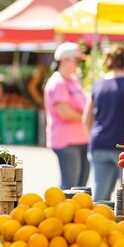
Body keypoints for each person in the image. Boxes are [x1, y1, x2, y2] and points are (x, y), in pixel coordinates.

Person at [84, 45, 124, 201]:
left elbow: (86, 117)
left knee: (100, 193)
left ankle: (95, 223)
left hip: (99, 143)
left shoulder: (98, 84)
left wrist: (92, 136)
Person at [44, 43, 89, 190]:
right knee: (70, 186)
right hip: (66, 141)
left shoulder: (73, 80)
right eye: (75, 61)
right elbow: (65, 113)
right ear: (63, 60)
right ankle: (62, 212)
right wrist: (87, 117)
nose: (78, 65)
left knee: (80, 186)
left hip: (80, 139)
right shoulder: (58, 83)